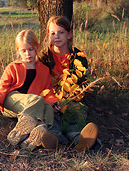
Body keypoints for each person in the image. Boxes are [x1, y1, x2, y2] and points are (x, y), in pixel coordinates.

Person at [0, 30, 59, 150]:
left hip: (33, 105)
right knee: (36, 100)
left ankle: (33, 135)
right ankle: (31, 124)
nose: (28, 54)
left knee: (47, 107)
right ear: (18, 51)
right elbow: (2, 87)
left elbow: (48, 91)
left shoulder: (44, 70)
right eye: (23, 50)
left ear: (37, 47)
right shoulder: (13, 67)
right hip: (12, 101)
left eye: (31, 49)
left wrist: (54, 102)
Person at [39, 15, 98, 152]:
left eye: (61, 32)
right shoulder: (44, 57)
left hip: (71, 97)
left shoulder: (78, 56)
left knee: (74, 115)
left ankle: (81, 141)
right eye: (53, 33)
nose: (57, 36)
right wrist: (52, 101)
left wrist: (68, 100)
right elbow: (42, 83)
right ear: (48, 35)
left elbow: (80, 83)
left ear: (69, 35)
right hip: (50, 98)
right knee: (52, 118)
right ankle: (54, 140)